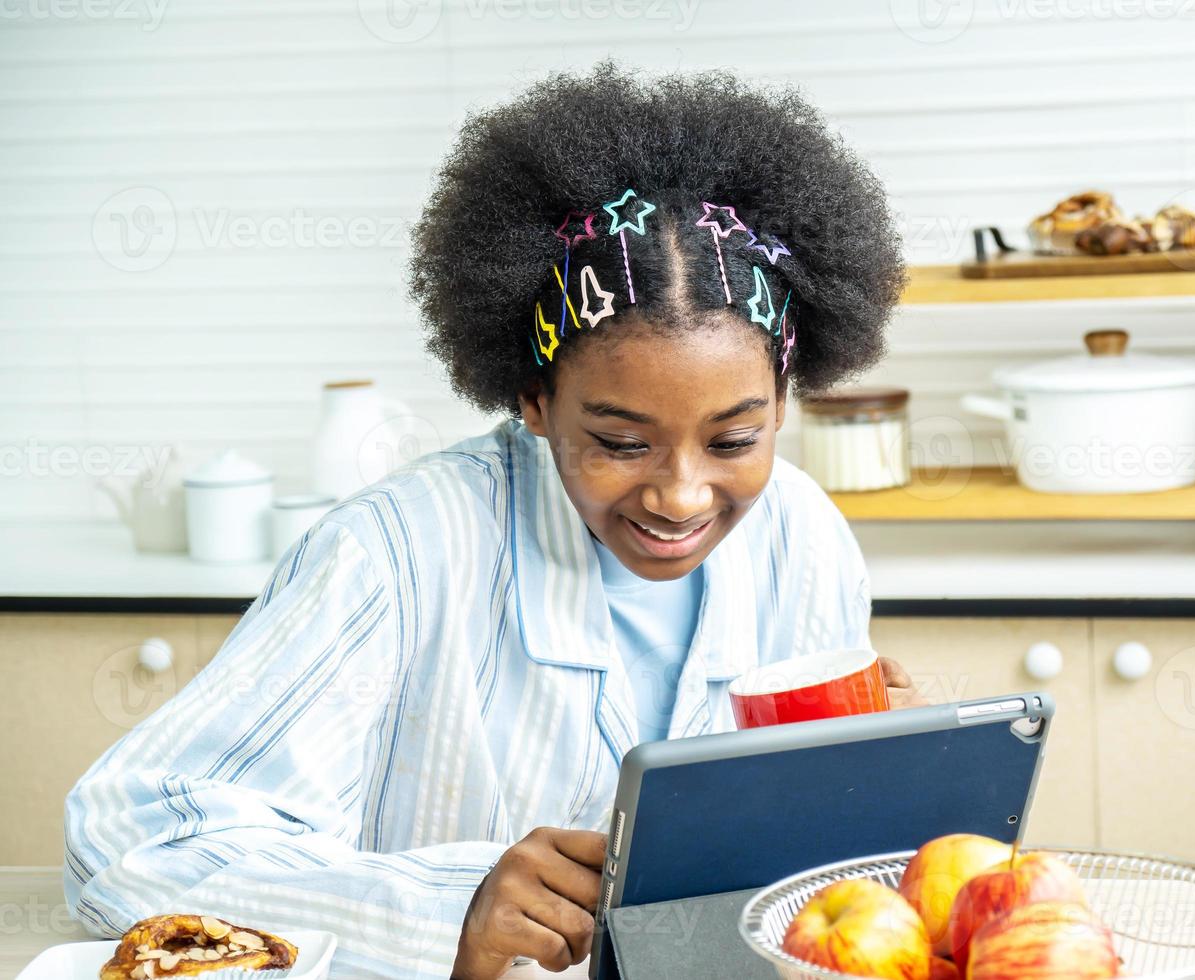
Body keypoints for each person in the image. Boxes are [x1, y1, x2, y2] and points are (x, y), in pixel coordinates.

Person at [64, 64, 912, 979]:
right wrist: (450, 909)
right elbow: (126, 846)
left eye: (735, 437)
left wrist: (877, 785)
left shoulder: (804, 534)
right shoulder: (396, 553)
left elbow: (800, 887)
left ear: (785, 401)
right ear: (533, 400)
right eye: (621, 443)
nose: (682, 495)